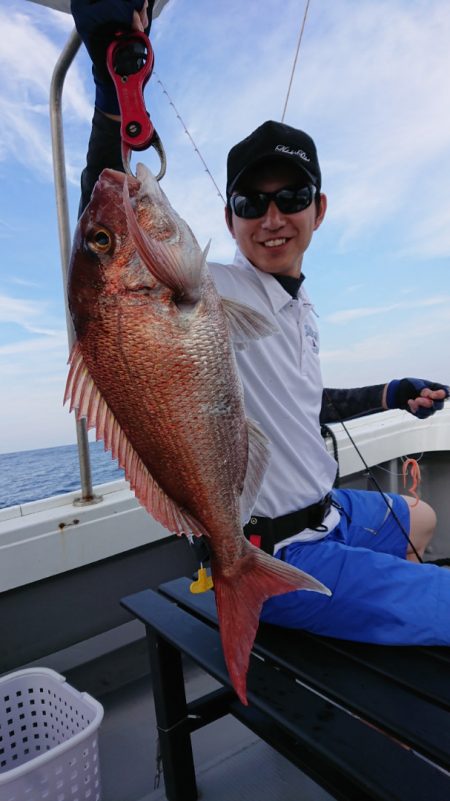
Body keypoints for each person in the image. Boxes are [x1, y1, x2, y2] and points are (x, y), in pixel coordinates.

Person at [71, 0, 450, 645]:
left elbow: (301, 406)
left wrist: (390, 395)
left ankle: (358, 622)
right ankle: (309, 601)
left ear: (318, 209)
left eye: (292, 197)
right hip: (277, 547)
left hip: (328, 514)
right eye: (251, 201)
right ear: (229, 220)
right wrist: (114, 92)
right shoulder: (206, 289)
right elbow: (102, 257)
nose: (272, 217)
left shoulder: (299, 306)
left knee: (421, 516)